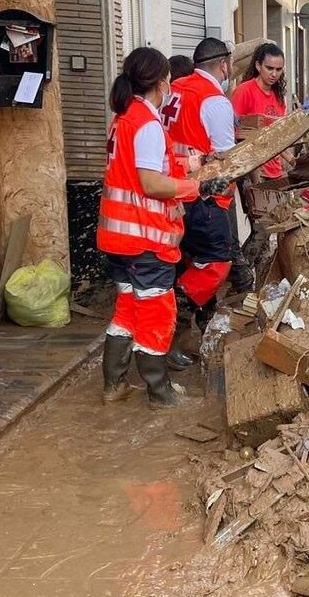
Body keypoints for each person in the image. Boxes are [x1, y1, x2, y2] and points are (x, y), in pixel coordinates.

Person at [97, 47, 228, 408]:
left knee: (127, 309)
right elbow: (152, 183)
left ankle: (114, 387)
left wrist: (191, 162)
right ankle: (160, 392)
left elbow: (147, 164)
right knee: (156, 311)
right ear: (159, 81)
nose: (171, 84)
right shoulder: (147, 124)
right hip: (145, 239)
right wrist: (197, 186)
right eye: (168, 78)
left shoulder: (125, 117)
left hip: (119, 239)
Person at [163, 37, 237, 332]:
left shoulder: (175, 89)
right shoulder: (213, 99)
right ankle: (177, 309)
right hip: (204, 197)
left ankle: (197, 323)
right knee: (217, 261)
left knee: (191, 260)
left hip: (173, 192)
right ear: (223, 64)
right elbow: (226, 158)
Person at [231, 42, 287, 181]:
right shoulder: (244, 91)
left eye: (279, 69)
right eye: (269, 68)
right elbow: (232, 134)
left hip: (275, 171)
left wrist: (292, 161)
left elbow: (279, 136)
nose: (274, 74)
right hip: (252, 173)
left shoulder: (279, 96)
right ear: (258, 66)